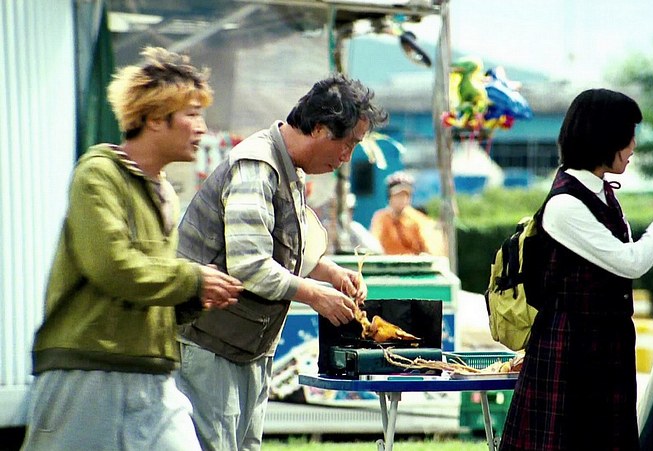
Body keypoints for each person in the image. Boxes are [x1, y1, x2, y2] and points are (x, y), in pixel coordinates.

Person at [21, 47, 243, 451]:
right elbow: (114, 267)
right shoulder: (98, 174)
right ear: (155, 118)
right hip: (87, 371)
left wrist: (195, 297)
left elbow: (152, 284)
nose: (202, 129)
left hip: (154, 376)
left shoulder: (164, 192)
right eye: (192, 114)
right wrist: (192, 279)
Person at [175, 73, 388, 450]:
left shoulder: (289, 169)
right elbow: (250, 266)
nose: (347, 157)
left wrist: (330, 272)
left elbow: (285, 247)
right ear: (320, 128)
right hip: (209, 346)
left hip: (246, 348)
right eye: (348, 144)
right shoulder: (257, 166)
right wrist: (316, 296)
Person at [499, 88, 653, 451]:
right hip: (571, 353)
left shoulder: (601, 193)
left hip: (603, 350)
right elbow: (631, 262)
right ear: (604, 138)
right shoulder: (565, 205)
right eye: (628, 135)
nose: (633, 146)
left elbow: (634, 254)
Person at [370, 171, 432, 255]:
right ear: (389, 197)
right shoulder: (381, 218)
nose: (401, 199)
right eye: (397, 195)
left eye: (405, 195)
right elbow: (374, 244)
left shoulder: (418, 219)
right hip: (387, 261)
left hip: (412, 262)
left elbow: (429, 248)